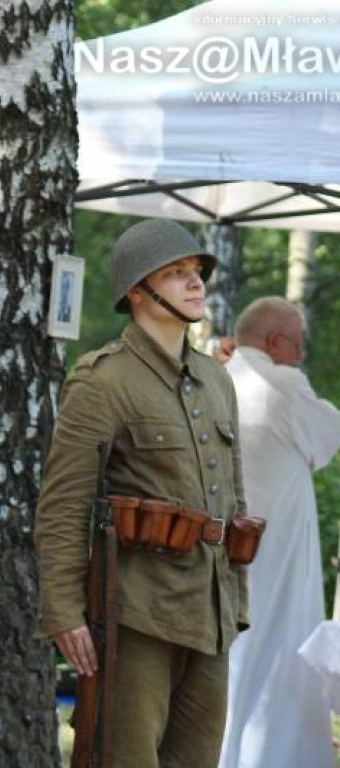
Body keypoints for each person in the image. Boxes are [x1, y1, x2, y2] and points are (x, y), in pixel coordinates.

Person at [35, 218, 250, 768]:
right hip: (136, 614)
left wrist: (236, 601)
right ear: (137, 290)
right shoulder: (102, 381)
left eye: (196, 272)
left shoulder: (214, 378)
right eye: (176, 273)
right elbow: (63, 506)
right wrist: (63, 610)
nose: (195, 282)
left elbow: (234, 500)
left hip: (209, 612)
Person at [218, 297, 340, 768]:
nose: (302, 356)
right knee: (282, 660)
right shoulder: (282, 384)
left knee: (235, 662)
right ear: (274, 342)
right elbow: (330, 430)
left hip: (232, 551)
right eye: (299, 344)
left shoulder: (220, 379)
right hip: (279, 556)